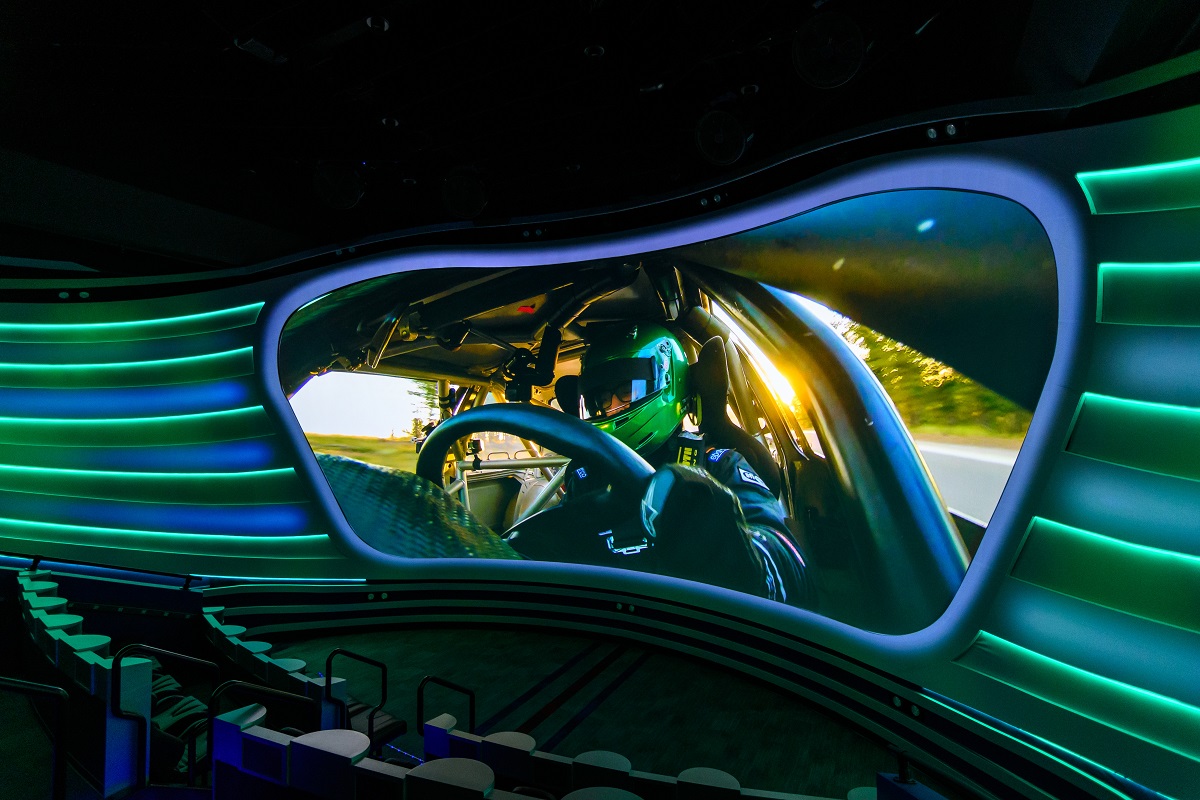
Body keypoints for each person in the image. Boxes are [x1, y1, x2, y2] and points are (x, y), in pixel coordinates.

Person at [564, 321, 814, 607]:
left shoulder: (719, 464)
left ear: (671, 384)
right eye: (601, 398)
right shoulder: (585, 476)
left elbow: (789, 563)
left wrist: (728, 548)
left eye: (626, 390)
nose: (611, 409)